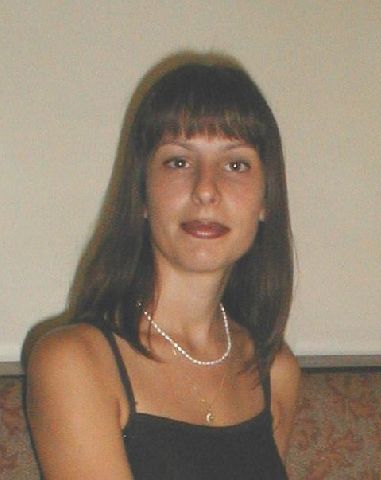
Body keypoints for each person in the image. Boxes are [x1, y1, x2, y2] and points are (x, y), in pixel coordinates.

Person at [26, 55, 301, 479]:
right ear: (141, 193)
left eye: (236, 164)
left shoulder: (274, 369)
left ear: (266, 200)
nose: (206, 189)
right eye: (178, 161)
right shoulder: (74, 362)